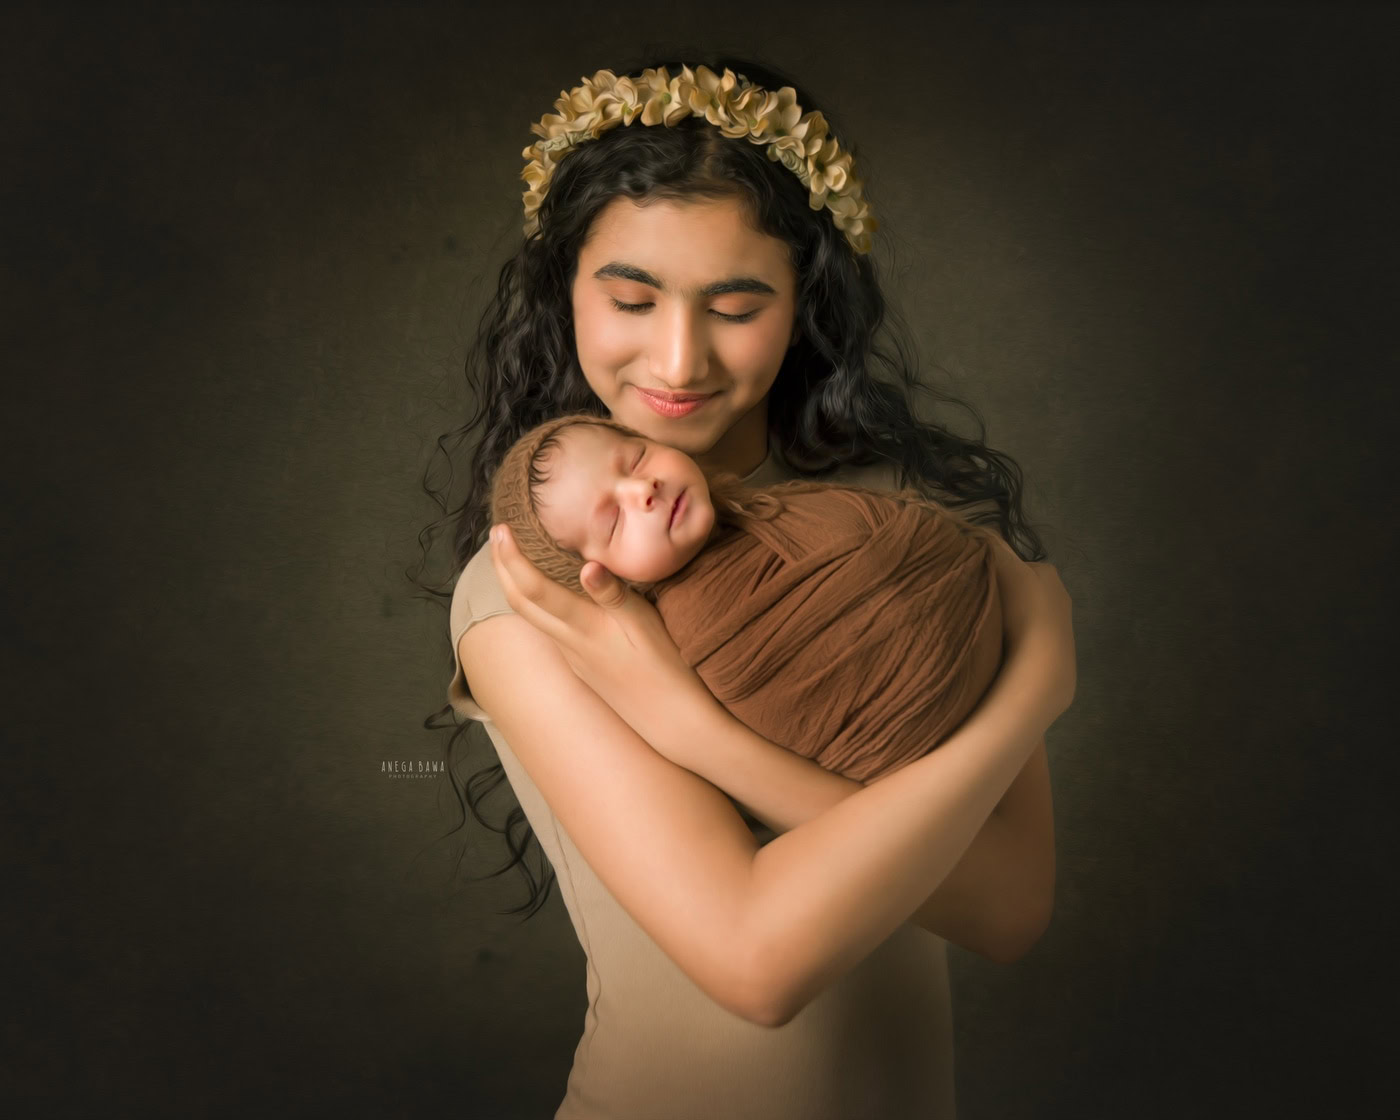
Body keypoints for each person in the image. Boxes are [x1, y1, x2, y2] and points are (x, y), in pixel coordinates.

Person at [431, 57, 1075, 1119]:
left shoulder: (900, 532)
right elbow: (757, 960)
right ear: (562, 291)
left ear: (804, 301)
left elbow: (1005, 908)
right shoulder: (543, 584)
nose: (677, 361)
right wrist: (1038, 683)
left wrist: (699, 731)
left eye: (735, 305)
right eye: (630, 298)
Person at [487, 411, 1007, 785]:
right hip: (924, 757)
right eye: (614, 519)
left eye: (636, 457)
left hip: (985, 675)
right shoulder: (690, 643)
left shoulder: (777, 506)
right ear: (593, 576)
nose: (642, 489)